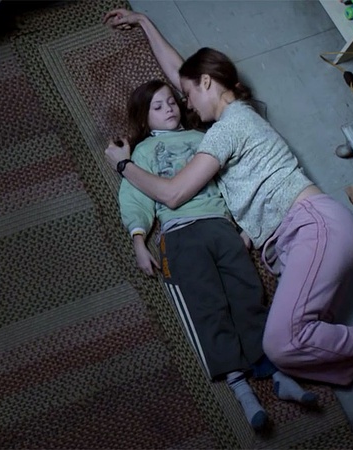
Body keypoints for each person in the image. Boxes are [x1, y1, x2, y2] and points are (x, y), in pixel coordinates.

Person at [103, 9, 353, 392]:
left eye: (188, 95)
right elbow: (188, 75)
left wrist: (124, 165)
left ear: (207, 83)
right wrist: (145, 23)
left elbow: (174, 193)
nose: (187, 106)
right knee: (301, 350)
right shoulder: (233, 120)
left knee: (280, 344)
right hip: (298, 240)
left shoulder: (228, 129)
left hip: (312, 226)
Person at [117, 78, 316, 431]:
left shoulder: (205, 138)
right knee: (205, 307)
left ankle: (277, 374)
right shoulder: (143, 152)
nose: (169, 109)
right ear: (144, 118)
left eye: (171, 101)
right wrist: (138, 241)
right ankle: (241, 390)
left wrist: (247, 229)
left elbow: (234, 183)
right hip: (180, 234)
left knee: (248, 294)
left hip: (221, 227)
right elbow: (135, 198)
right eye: (157, 107)